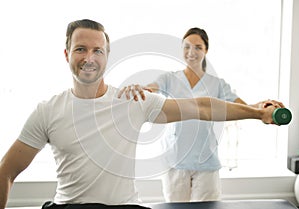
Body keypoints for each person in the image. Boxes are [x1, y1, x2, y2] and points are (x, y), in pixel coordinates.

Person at [0, 19, 282, 209]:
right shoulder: (47, 111)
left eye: (98, 50)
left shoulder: (131, 101)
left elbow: (203, 107)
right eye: (80, 49)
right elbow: (7, 172)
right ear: (66, 54)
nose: (89, 57)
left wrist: (257, 113)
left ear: (107, 55)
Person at [118, 27, 274, 202]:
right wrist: (138, 89)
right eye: (187, 47)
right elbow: (150, 89)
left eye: (198, 47)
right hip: (175, 162)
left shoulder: (217, 84)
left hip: (206, 164)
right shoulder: (169, 79)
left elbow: (243, 108)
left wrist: (264, 108)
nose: (191, 52)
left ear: (206, 50)